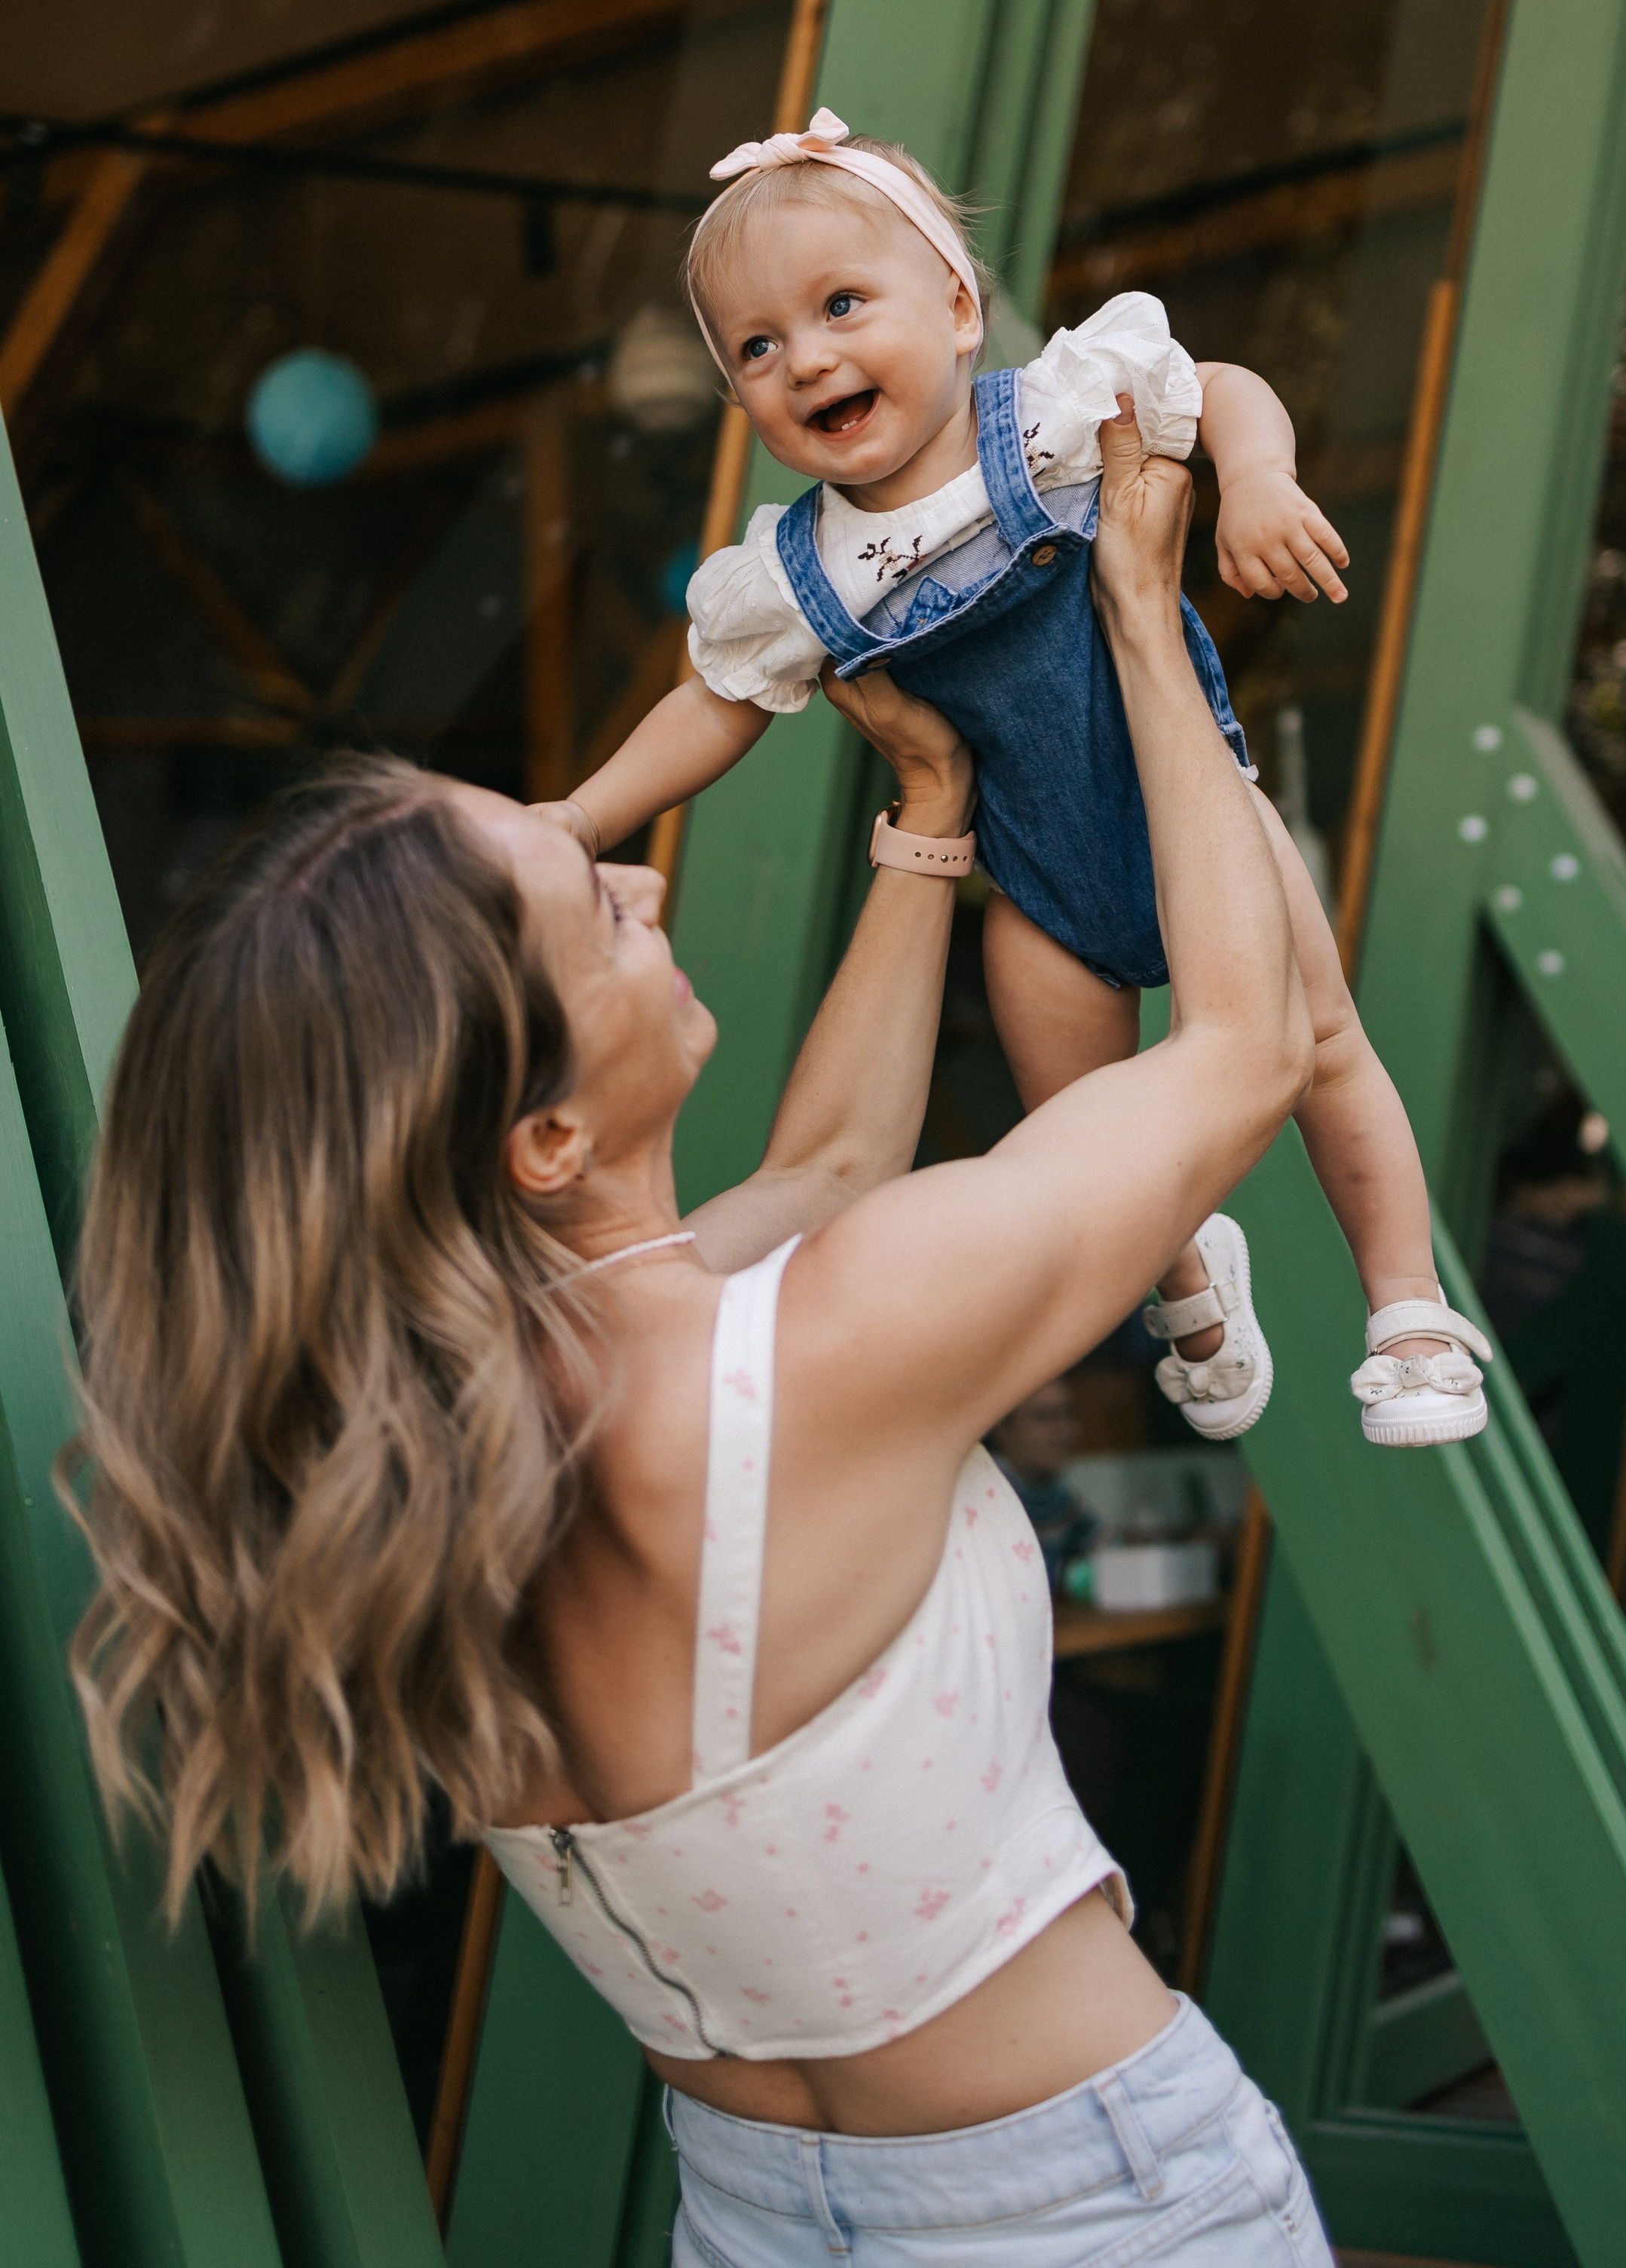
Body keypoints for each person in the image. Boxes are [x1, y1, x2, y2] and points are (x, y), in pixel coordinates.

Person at [69, 412, 1336, 2261]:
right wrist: (1139, 610)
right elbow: (1244, 1043)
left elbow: (827, 1159)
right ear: (545, 1137)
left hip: (752, 2211)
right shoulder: (819, 1350)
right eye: (596, 904)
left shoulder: (435, 1439)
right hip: (1087, 2204)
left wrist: (929, 824)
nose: (649, 882)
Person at [536, 109, 1491, 1451]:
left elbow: (1215, 385)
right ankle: (1186, 1274)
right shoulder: (803, 573)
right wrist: (582, 814)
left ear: (960, 307)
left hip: (1193, 811)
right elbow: (713, 704)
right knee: (1081, 1122)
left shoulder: (1043, 419)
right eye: (758, 347)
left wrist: (1257, 477)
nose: (806, 357)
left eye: (842, 305)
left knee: (1322, 1043)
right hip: (1036, 876)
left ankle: (1411, 1312)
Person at [986, 1380, 1099, 1593]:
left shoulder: (1062, 1499)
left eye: (1069, 1414)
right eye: (1043, 1416)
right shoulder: (986, 1497)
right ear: (1002, 1427)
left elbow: (1101, 1551)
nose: (1061, 1429)